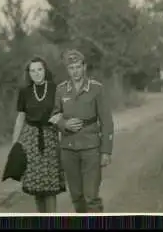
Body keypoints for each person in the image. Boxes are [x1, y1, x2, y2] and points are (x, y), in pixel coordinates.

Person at [49, 49, 114, 213]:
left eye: (78, 67)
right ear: (67, 70)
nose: (75, 71)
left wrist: (106, 151)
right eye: (71, 68)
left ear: (84, 67)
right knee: (76, 196)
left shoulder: (96, 89)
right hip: (69, 148)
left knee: (91, 196)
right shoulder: (61, 90)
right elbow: (54, 115)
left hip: (91, 148)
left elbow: (106, 121)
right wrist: (64, 124)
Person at [11, 56, 66, 213]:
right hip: (31, 138)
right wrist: (15, 143)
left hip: (50, 137)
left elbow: (64, 112)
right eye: (32, 71)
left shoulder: (56, 89)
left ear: (45, 70)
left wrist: (61, 121)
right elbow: (20, 118)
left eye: (39, 70)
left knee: (50, 185)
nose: (36, 73)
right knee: (37, 185)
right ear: (28, 73)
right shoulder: (24, 92)